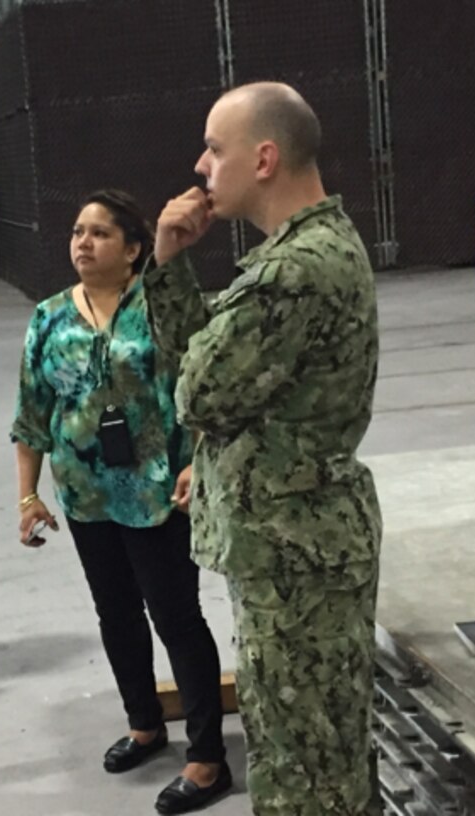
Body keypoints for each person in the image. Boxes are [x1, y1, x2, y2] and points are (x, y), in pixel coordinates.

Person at [145, 83, 383, 816]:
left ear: (266, 158)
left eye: (216, 149)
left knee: (306, 770)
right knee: (308, 745)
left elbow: (199, 393)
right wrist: (170, 261)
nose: (201, 165)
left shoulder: (294, 273)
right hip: (293, 547)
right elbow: (207, 364)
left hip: (296, 556)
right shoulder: (302, 254)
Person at [12, 189, 232, 815]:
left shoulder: (158, 302)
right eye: (78, 231)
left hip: (159, 492)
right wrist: (27, 494)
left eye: (100, 233)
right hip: (86, 496)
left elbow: (198, 382)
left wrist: (197, 458)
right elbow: (32, 413)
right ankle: (144, 723)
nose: (83, 243)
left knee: (176, 617)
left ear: (133, 249)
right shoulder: (50, 316)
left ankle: (207, 756)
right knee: (116, 614)